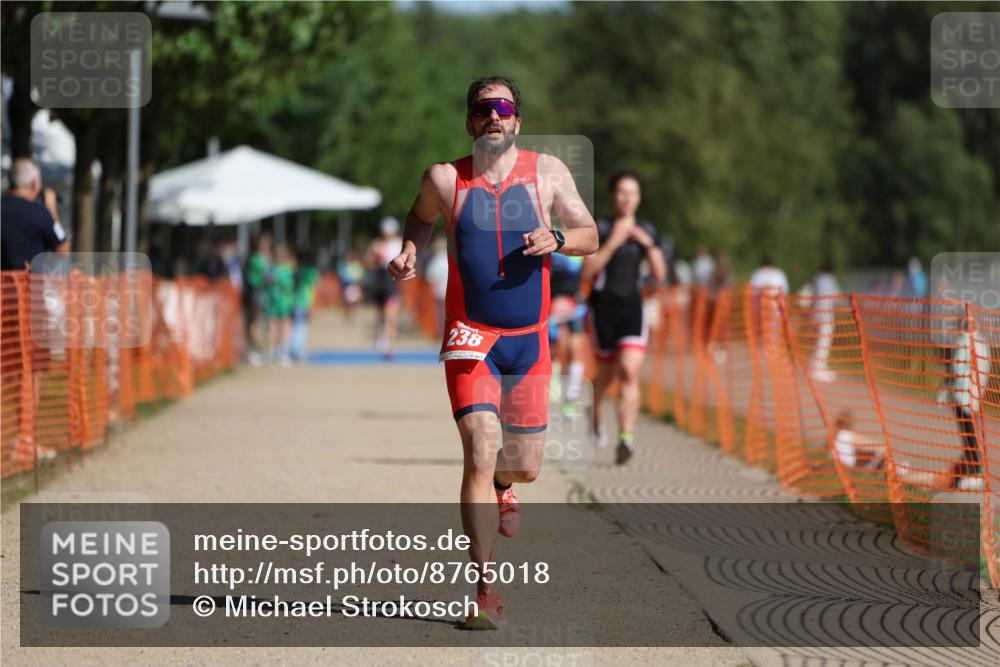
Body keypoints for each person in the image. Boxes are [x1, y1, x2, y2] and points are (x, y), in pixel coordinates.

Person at [387, 76, 598, 629]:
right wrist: (410, 248)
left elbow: (590, 233)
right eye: (484, 109)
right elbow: (419, 217)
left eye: (504, 108)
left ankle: (506, 487)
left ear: (518, 122)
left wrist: (557, 237)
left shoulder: (548, 172)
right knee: (481, 448)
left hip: (529, 341)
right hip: (470, 337)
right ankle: (486, 592)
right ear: (470, 122)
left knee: (524, 466)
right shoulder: (445, 178)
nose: (494, 117)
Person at [581, 170, 667, 465]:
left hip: (632, 308)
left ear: (639, 197)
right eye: (622, 192)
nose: (628, 198)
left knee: (629, 371)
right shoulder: (601, 228)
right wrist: (614, 241)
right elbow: (588, 273)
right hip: (602, 310)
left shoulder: (647, 229)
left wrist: (649, 245)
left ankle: (626, 439)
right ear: (613, 196)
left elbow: (659, 275)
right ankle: (594, 412)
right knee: (606, 375)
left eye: (633, 193)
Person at [1, 158, 70, 464]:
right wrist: (52, 206)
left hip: (4, 299)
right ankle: (26, 437)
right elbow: (63, 246)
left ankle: (23, 436)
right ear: (34, 184)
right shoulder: (39, 212)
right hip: (33, 299)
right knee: (35, 368)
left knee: (15, 368)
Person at [547, 249, 587, 419]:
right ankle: (552, 388)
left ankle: (571, 398)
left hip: (574, 305)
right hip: (552, 303)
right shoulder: (549, 231)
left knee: (575, 350)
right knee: (555, 348)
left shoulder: (582, 242)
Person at [367, 217, 404, 358]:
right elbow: (369, 263)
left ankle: (389, 346)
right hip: (379, 282)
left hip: (392, 283)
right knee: (381, 314)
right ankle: (382, 340)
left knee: (391, 315)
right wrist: (375, 256)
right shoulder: (376, 244)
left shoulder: (399, 244)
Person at [807, 260, 841, 383]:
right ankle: (817, 370)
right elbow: (836, 298)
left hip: (814, 314)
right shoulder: (830, 280)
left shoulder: (816, 278)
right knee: (823, 343)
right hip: (825, 315)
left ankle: (813, 367)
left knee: (816, 342)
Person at [244, 233, 272, 365]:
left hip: (265, 293)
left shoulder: (265, 258)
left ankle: (261, 349)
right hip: (256, 292)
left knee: (263, 322)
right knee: (255, 321)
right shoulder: (256, 259)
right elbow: (266, 276)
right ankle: (253, 350)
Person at [266, 244, 295, 366]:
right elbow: (290, 286)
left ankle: (272, 351)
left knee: (273, 327)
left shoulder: (271, 269)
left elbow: (266, 282)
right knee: (285, 327)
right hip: (285, 302)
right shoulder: (288, 270)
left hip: (273, 301)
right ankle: (283, 352)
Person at [289, 247, 319, 363]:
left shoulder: (297, 269)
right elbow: (312, 287)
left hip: (295, 300)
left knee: (296, 325)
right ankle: (297, 351)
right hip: (304, 301)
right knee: (301, 326)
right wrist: (312, 305)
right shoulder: (311, 271)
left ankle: (295, 349)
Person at [423, 235, 450, 338]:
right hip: (449, 291)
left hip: (440, 292)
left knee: (441, 314)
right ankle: (445, 333)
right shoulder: (449, 258)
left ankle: (442, 333)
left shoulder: (436, 260)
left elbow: (431, 277)